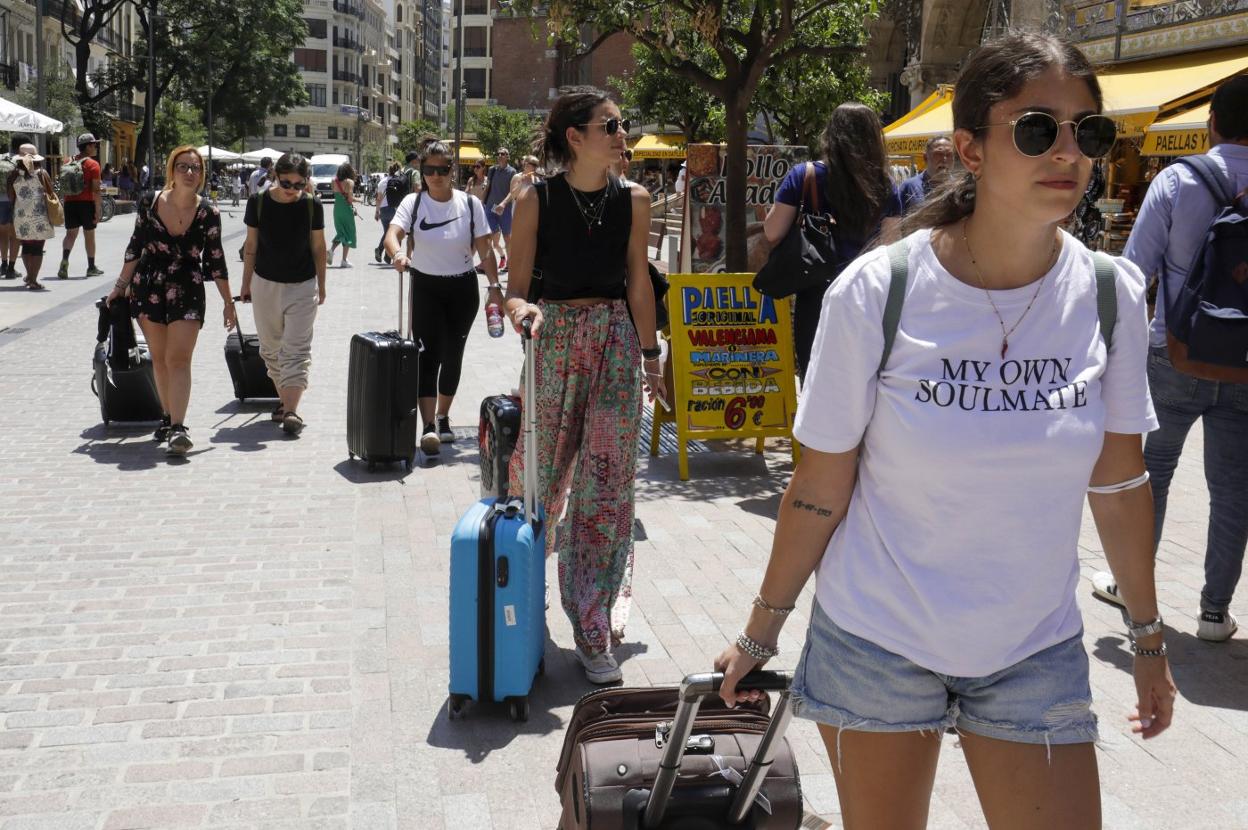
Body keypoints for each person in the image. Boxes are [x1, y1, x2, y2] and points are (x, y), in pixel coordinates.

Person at [716, 32, 1175, 828]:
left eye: (1089, 131)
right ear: (970, 148)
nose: (1069, 152)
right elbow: (821, 486)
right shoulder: (881, 290)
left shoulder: (1111, 294)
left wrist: (1147, 640)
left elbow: (1119, 480)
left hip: (1034, 646)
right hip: (877, 641)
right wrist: (760, 636)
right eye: (1038, 129)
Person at [502, 92, 666, 684]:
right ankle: (522, 589)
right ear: (575, 137)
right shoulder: (535, 200)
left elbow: (639, 286)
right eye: (612, 126)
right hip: (553, 340)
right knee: (537, 482)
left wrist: (651, 357)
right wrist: (523, 315)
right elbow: (514, 288)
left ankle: (592, 624)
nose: (624, 134)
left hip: (616, 345)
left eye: (624, 125)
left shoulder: (636, 200)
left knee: (607, 485)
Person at [1090, 75, 1248, 643]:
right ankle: (1213, 611)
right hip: (1246, 364)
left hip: (1173, 353)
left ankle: (1135, 596)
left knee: (1149, 474)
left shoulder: (1178, 181)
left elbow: (1134, 273)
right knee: (1233, 488)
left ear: (1212, 125)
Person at [105, 145, 233, 456]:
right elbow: (136, 245)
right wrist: (120, 285)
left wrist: (229, 303)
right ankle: (166, 415)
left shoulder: (208, 213)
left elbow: (215, 260)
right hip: (149, 284)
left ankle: (178, 427)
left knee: (179, 359)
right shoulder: (149, 202)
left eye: (196, 168)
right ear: (171, 170)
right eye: (183, 167)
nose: (190, 173)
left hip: (187, 286)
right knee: (160, 359)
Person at [763, 103, 896, 382]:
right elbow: (890, 244)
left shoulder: (805, 175)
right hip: (868, 295)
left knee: (815, 379)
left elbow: (773, 232)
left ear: (830, 135)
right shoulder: (885, 184)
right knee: (863, 380)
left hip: (816, 291)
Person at [383, 140, 500, 456]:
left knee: (453, 354)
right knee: (427, 355)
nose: (436, 176)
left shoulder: (469, 204)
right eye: (429, 170)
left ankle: (444, 415)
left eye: (443, 169)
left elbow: (486, 249)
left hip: (462, 289)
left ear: (453, 171)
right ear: (422, 171)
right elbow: (392, 234)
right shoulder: (414, 202)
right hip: (425, 287)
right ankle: (428, 426)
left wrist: (495, 286)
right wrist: (396, 254)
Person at [239, 153, 328, 436]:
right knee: (270, 349)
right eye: (286, 182)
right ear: (275, 176)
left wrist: (322, 285)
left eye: (299, 184)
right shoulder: (259, 202)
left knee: (297, 349)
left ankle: (291, 410)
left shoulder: (313, 205)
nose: (291, 189)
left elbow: (319, 247)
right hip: (265, 283)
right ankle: (285, 399)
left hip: (302, 284)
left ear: (306, 182)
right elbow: (250, 246)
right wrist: (245, 284)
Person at [6, 150, 56, 290]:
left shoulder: (13, 175)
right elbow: (51, 193)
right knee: (38, 249)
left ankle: (29, 276)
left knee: (27, 247)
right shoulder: (41, 173)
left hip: (21, 216)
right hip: (40, 217)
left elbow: (10, 197)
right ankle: (33, 280)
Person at [57, 133, 104, 280]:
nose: (96, 147)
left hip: (70, 203)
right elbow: (95, 190)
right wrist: (98, 209)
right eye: (94, 144)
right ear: (88, 146)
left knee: (70, 235)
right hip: (86, 204)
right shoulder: (93, 164)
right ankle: (91, 267)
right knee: (89, 235)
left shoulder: (67, 161)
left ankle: (64, 261)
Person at [0, 134, 31, 280]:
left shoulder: (2, 157)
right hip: (14, 201)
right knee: (16, 236)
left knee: (3, 233)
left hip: (0, 201)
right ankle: (11, 268)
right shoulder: (21, 160)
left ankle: (3, 264)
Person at [483, 148, 517, 269]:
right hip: (490, 208)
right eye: (498, 154)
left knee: (507, 237)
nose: (500, 155)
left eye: (503, 154)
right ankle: (487, 263)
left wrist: (503, 204)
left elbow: (513, 191)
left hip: (505, 209)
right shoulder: (492, 170)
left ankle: (510, 263)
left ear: (508, 156)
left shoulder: (512, 172)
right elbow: (487, 187)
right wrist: (482, 203)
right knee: (489, 236)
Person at [328, 162, 357, 268]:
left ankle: (331, 250)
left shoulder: (333, 181)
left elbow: (337, 195)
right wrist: (358, 200)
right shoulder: (349, 182)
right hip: (346, 211)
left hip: (337, 210)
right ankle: (344, 260)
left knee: (341, 233)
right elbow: (349, 199)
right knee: (348, 234)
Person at [373, 162, 401, 263]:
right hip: (393, 208)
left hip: (383, 209)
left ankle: (385, 254)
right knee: (392, 233)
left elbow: (379, 198)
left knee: (387, 232)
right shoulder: (398, 181)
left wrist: (377, 212)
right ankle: (382, 251)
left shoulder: (382, 181)